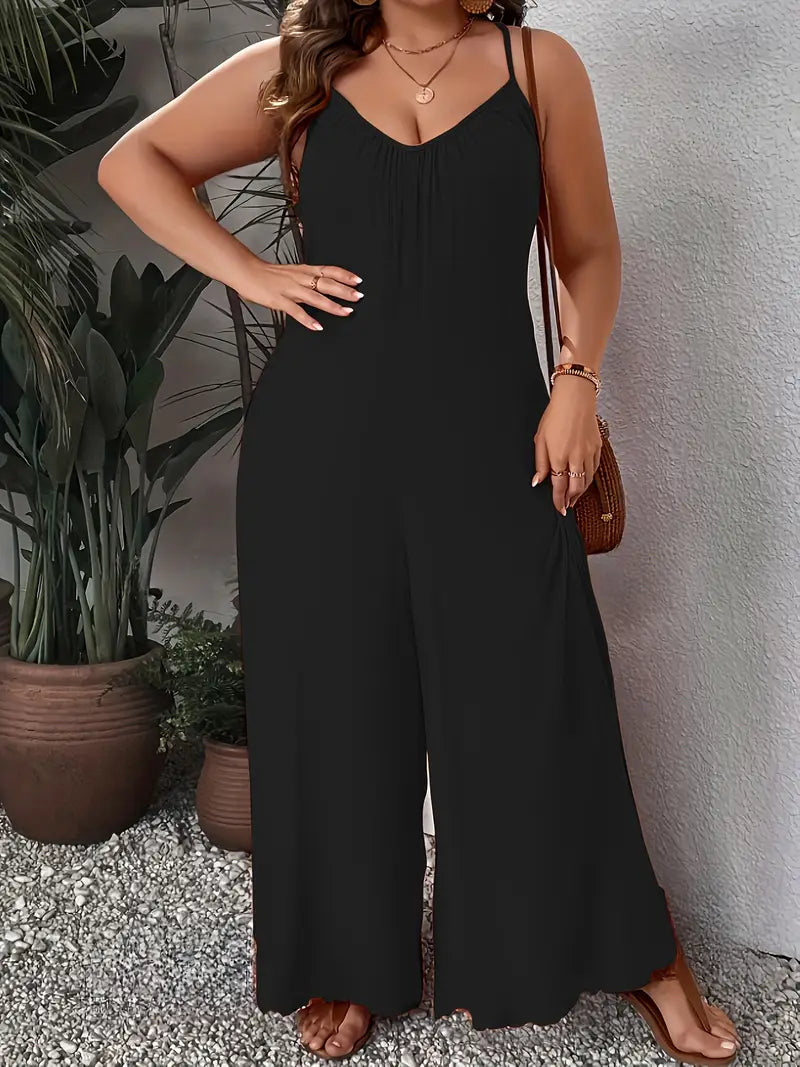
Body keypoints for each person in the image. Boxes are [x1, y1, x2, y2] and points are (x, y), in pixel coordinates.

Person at [98, 0, 742, 1062]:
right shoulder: (301, 68)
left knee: (538, 696)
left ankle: (640, 946)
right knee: (336, 706)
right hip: (320, 450)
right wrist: (251, 274)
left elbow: (586, 249)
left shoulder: (538, 67)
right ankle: (350, 958)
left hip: (498, 446)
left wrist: (577, 380)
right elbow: (137, 162)